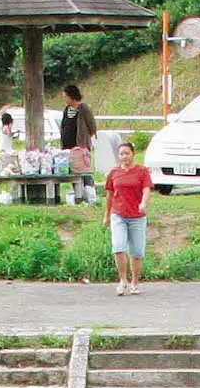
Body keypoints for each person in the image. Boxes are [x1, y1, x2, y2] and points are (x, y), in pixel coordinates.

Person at [104, 138, 151, 296]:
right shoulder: (114, 172)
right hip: (118, 214)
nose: (124, 157)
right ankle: (122, 280)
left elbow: (146, 189)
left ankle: (135, 282)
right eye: (121, 154)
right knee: (118, 246)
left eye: (127, 153)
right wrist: (106, 216)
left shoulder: (142, 171)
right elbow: (109, 195)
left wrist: (143, 204)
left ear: (133, 154)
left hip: (137, 216)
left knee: (137, 251)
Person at [59, 83, 98, 203]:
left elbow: (92, 126)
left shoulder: (83, 108)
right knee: (72, 171)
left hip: (80, 147)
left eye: (66, 96)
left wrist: (85, 139)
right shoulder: (66, 109)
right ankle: (77, 195)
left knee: (84, 171)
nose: (64, 99)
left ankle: (90, 195)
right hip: (67, 147)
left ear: (72, 96)